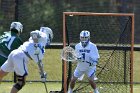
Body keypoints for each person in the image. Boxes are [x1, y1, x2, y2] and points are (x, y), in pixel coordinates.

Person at [0, 27, 53, 93]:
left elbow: (39, 62)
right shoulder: (44, 36)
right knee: (21, 82)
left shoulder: (41, 47)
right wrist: (36, 43)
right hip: (21, 56)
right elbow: (33, 33)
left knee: (1, 74)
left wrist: (42, 74)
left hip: (15, 53)